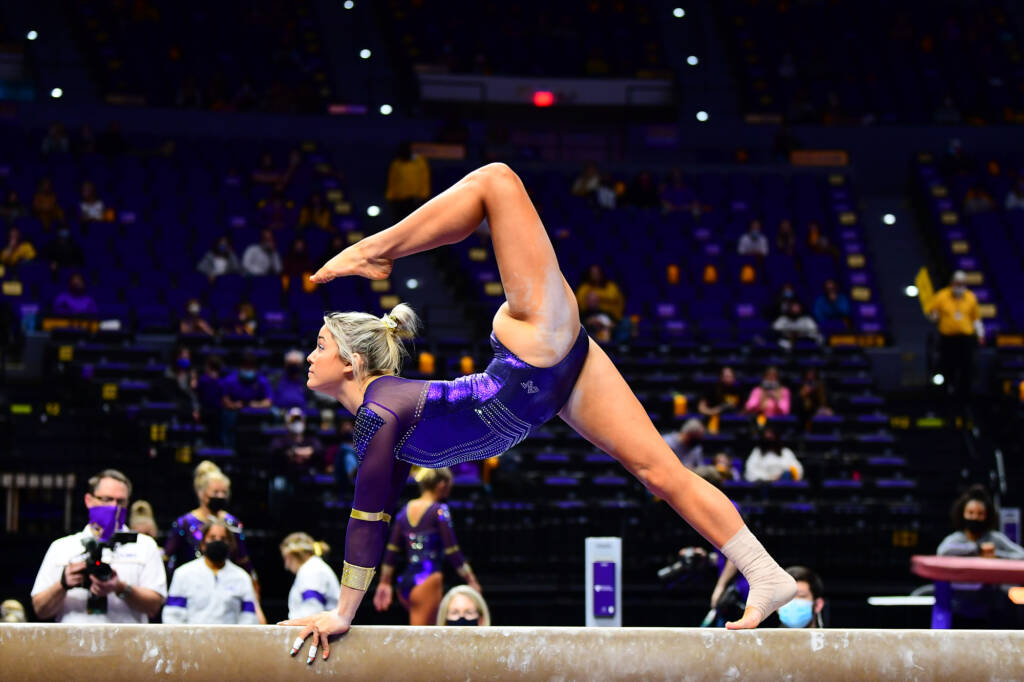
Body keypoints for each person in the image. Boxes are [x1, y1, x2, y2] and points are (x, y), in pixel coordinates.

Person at [281, 164, 794, 663]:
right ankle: (765, 572)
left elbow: (365, 518)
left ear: (352, 362)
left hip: (531, 350)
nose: (309, 356)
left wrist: (344, 613)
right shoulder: (384, 418)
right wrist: (345, 611)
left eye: (320, 345)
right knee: (660, 474)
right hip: (552, 381)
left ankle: (374, 250)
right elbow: (376, 515)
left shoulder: (378, 413)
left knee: (496, 181)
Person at [31, 469, 166, 623]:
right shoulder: (62, 547)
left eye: (121, 501)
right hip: (74, 644)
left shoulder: (145, 546)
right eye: (107, 499)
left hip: (126, 644)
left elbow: (154, 607)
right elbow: (40, 610)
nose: (115, 507)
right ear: (89, 500)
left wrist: (120, 588)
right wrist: (63, 584)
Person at [373, 468, 481, 625]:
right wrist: (470, 579)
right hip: (428, 580)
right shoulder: (439, 510)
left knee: (422, 632)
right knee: (423, 639)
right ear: (442, 484)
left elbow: (391, 550)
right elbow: (452, 550)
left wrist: (384, 582)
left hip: (405, 582)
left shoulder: (404, 511)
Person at [937, 485, 1024, 628]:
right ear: (963, 514)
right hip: (960, 603)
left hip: (992, 605)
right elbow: (942, 552)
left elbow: (1021, 555)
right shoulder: (956, 540)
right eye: (971, 513)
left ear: (987, 515)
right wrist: (976, 550)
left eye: (980, 514)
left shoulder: (994, 539)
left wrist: (997, 555)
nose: (975, 517)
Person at [164, 461, 256, 580]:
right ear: (201, 493)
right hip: (191, 581)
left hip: (226, 581)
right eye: (216, 492)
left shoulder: (232, 523)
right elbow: (168, 557)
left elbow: (242, 558)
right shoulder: (185, 523)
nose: (220, 496)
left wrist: (253, 582)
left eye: (224, 492)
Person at [162, 520, 258, 624]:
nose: (218, 541)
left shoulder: (242, 578)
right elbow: (172, 616)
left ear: (230, 544)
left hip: (230, 638)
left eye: (223, 539)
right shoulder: (183, 574)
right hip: (192, 638)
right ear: (203, 543)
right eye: (212, 538)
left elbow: (249, 618)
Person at [925, 270, 984, 408]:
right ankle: (944, 400)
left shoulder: (971, 297)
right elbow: (932, 313)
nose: (960, 286)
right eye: (958, 283)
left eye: (963, 283)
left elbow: (976, 319)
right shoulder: (941, 296)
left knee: (966, 369)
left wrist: (980, 335)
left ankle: (964, 400)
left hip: (966, 340)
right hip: (948, 340)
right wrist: (933, 316)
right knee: (946, 368)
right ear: (952, 283)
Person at [281, 533, 340, 619]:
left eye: (285, 559)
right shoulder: (313, 567)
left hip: (316, 629)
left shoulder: (311, 569)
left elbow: (312, 609)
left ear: (290, 556)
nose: (286, 566)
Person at [385, 141, 431, 221]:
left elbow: (424, 179)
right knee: (398, 221)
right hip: (399, 200)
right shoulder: (397, 164)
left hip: (415, 199)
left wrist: (424, 195)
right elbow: (393, 180)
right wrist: (390, 196)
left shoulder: (419, 162)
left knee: (413, 221)